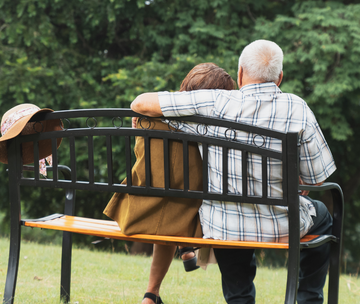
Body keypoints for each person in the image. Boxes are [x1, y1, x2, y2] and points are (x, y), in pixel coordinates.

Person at [130, 40, 336, 304]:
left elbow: (141, 102)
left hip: (225, 227)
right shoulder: (299, 108)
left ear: (240, 73)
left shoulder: (214, 102)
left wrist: (144, 113)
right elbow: (317, 179)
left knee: (230, 224)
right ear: (279, 77)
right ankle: (308, 298)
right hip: (283, 225)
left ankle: (240, 298)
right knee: (323, 215)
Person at [103, 63, 236, 304]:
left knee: (168, 202)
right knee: (181, 201)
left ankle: (150, 295)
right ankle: (185, 247)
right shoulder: (212, 129)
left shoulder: (148, 118)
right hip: (186, 219)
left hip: (138, 212)